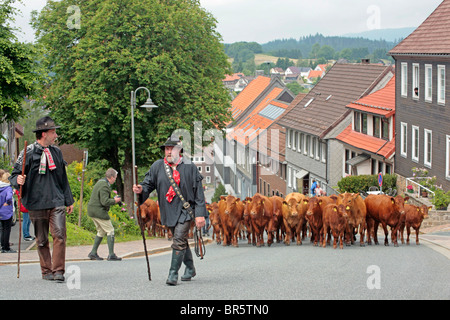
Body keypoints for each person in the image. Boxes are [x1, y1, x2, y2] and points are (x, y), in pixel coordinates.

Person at [133, 136, 206, 286]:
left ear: (179, 151)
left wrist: (200, 215)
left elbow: (199, 193)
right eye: (166, 149)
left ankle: (173, 273)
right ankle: (190, 268)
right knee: (181, 240)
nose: (168, 151)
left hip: (186, 210)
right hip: (167, 211)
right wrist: (141, 190)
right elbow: (147, 185)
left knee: (178, 239)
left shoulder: (190, 167)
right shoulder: (157, 166)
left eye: (171, 149)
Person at [9, 116, 74, 281]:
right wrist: (18, 180)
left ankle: (58, 271)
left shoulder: (56, 152)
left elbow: (63, 178)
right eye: (53, 132)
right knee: (42, 239)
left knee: (59, 234)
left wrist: (68, 200)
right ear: (43, 134)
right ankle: (46, 271)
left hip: (57, 200)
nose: (56, 136)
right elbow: (14, 175)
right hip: (36, 202)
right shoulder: (28, 152)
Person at [87, 168, 122, 261]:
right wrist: (115, 200)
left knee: (101, 231)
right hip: (98, 211)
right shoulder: (104, 186)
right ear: (111, 177)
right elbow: (104, 201)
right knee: (110, 230)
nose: (115, 179)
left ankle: (93, 253)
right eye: (115, 177)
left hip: (92, 211)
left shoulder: (101, 182)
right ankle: (111, 255)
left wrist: (113, 199)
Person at [0, 172, 16, 253]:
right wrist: (8, 202)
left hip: (0, 210)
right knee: (7, 229)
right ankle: (6, 247)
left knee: (2, 229)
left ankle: (2, 245)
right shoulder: (8, 188)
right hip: (6, 211)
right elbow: (9, 197)